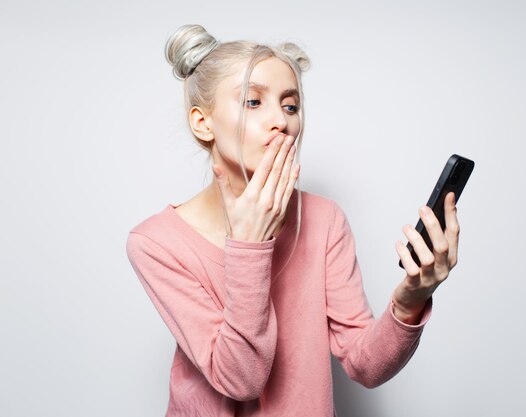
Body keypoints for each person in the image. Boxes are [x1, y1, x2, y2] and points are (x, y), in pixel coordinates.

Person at [126, 24, 461, 417]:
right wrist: (250, 247)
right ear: (203, 123)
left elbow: (365, 365)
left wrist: (409, 300)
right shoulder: (156, 243)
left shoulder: (323, 220)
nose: (281, 122)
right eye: (253, 102)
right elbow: (240, 380)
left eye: (290, 106)